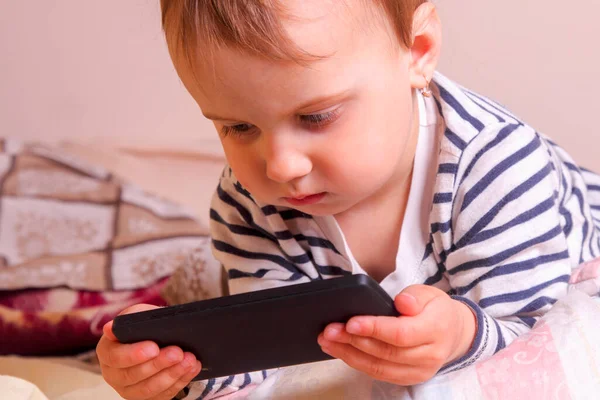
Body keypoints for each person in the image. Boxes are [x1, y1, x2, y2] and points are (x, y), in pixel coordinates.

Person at [96, 1, 600, 399]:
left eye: (316, 117)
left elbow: (528, 323)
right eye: (239, 127)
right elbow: (270, 351)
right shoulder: (247, 203)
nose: (281, 165)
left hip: (564, 269)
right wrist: (178, 370)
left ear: (418, 51)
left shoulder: (495, 165)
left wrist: (460, 335)